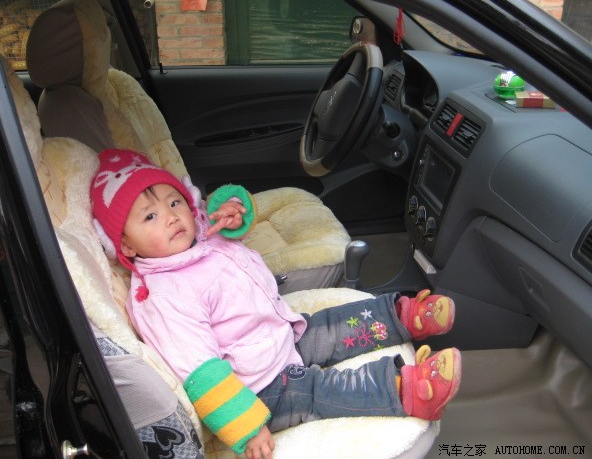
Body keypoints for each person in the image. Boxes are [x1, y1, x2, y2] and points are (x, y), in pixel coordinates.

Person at [90, 148, 461, 459]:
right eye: (150, 216)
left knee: (332, 323)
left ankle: (404, 316)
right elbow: (202, 372)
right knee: (320, 390)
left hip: (280, 331)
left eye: (175, 202)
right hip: (258, 385)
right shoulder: (163, 297)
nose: (171, 216)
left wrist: (234, 209)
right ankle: (407, 391)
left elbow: (226, 216)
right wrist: (247, 427)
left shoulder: (197, 236)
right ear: (125, 245)